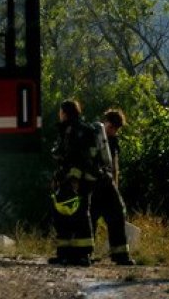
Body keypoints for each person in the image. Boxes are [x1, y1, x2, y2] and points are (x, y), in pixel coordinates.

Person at [49, 98, 101, 267]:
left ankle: (83, 255)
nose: (59, 115)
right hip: (67, 178)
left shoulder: (79, 131)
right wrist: (58, 177)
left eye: (61, 112)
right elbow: (63, 156)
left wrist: (75, 179)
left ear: (65, 112)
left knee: (80, 215)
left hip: (80, 180)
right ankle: (64, 254)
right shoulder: (67, 129)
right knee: (63, 215)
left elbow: (80, 157)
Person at [91, 108, 134, 265]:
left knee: (117, 214)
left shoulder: (113, 142)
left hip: (108, 184)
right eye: (111, 127)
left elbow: (115, 166)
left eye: (116, 128)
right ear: (105, 122)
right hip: (93, 184)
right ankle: (86, 253)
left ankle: (120, 255)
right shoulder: (93, 137)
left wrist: (115, 184)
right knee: (91, 218)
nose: (113, 131)